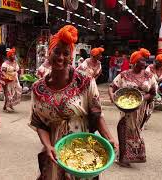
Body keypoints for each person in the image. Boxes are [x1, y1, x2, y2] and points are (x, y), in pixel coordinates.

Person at [30, 25, 118, 179]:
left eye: (66, 53)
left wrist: (109, 137)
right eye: (57, 52)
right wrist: (48, 145)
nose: (61, 57)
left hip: (83, 146)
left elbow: (97, 114)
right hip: (56, 150)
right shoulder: (38, 88)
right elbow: (39, 123)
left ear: (72, 57)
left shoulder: (85, 82)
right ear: (49, 53)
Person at [108, 48, 157, 168]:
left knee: (136, 131)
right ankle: (124, 158)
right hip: (127, 109)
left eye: (145, 60)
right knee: (124, 128)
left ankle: (136, 155)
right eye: (141, 60)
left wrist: (141, 100)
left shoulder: (149, 76)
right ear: (134, 61)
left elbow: (153, 92)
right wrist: (113, 97)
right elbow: (112, 86)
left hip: (141, 109)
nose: (144, 62)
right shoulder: (124, 75)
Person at [1, 48, 22, 112]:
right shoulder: (5, 64)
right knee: (8, 93)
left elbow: (17, 70)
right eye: (12, 55)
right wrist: (7, 77)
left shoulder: (15, 63)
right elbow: (3, 72)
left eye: (14, 55)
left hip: (15, 80)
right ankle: (7, 106)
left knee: (17, 91)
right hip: (8, 80)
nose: (13, 56)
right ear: (9, 56)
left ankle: (9, 105)